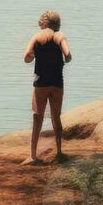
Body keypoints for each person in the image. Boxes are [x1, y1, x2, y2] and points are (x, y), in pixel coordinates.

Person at [22, 10, 72, 165]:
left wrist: (36, 55)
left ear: (44, 22)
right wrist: (63, 58)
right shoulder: (59, 36)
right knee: (56, 118)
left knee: (38, 117)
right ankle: (59, 152)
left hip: (41, 83)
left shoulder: (37, 37)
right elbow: (68, 55)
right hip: (57, 82)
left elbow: (26, 57)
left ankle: (32, 156)